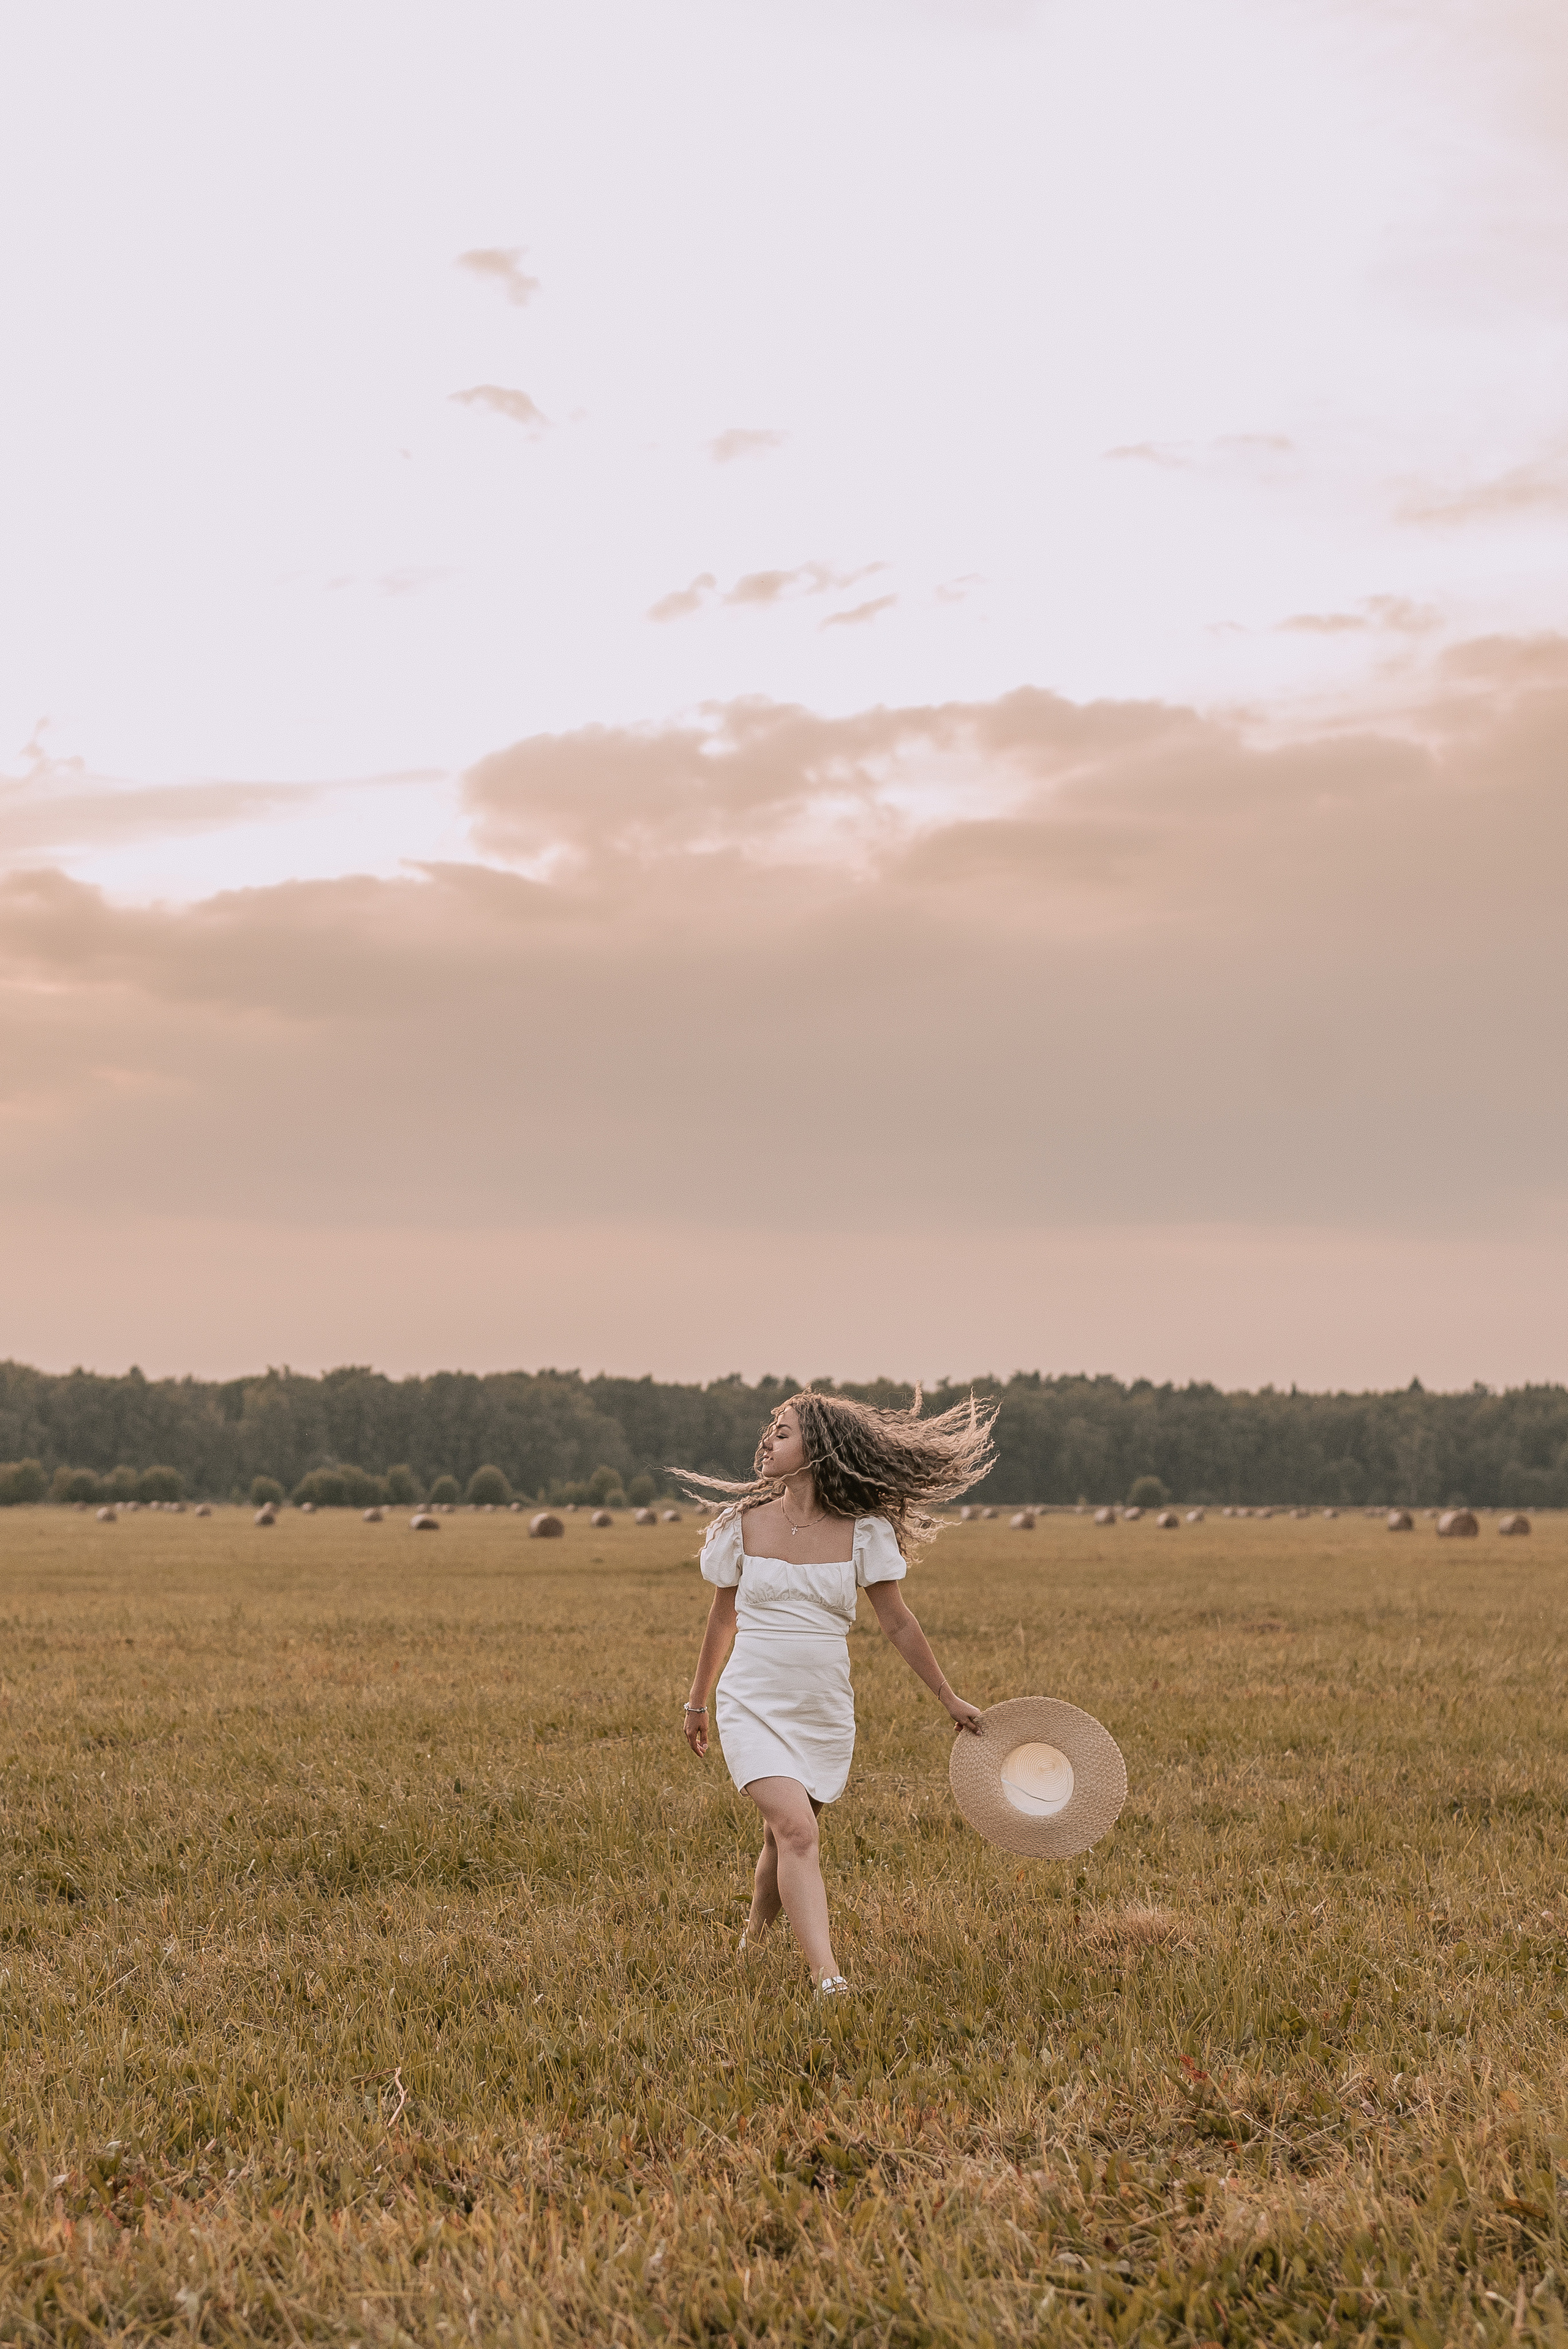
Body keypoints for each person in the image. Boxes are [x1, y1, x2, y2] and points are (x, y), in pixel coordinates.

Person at [678, 1386, 995, 1994]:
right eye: (771, 1427)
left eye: (784, 1430)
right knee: (799, 1832)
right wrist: (698, 1700)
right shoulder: (738, 1527)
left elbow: (897, 1622)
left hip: (821, 1708)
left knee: (784, 1835)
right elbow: (722, 1619)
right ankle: (828, 1980)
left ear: (819, 1449)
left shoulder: (864, 1533)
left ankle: (751, 1940)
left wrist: (948, 1698)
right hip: (752, 1700)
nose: (768, 1439)